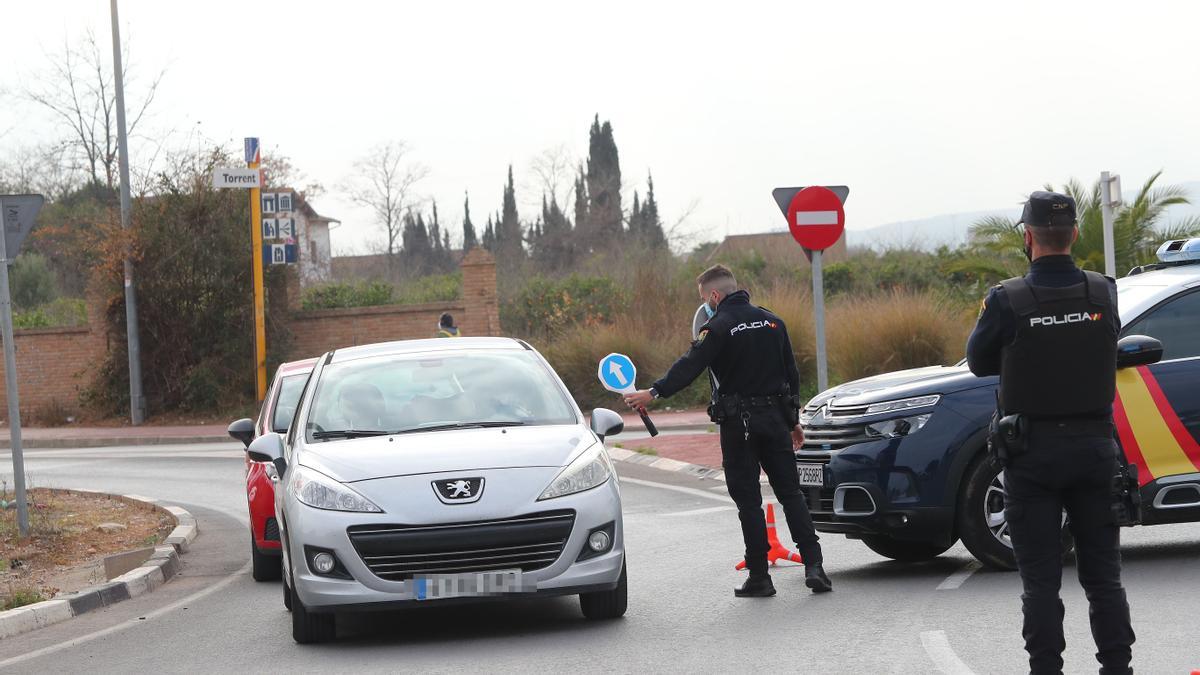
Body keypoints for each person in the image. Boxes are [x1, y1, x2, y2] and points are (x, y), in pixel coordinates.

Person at [966, 191, 1133, 674]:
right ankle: (1117, 667)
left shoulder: (1007, 299)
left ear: (1027, 237)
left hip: (1032, 456)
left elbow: (979, 362)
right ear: (1075, 235)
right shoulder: (1104, 293)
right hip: (1094, 450)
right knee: (1104, 578)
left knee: (1040, 582)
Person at [623, 264, 831, 597]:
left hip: (740, 426)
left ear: (715, 295)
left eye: (705, 298)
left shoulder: (717, 326)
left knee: (748, 502)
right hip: (776, 421)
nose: (705, 304)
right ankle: (815, 566)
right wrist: (794, 421)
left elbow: (689, 366)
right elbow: (791, 376)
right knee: (791, 494)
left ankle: (760, 577)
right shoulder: (773, 322)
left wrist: (654, 392)